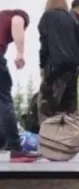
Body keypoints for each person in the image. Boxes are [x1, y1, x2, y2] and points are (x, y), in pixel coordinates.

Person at [0, 9, 37, 161]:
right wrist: (20, 53)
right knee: (4, 99)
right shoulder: (18, 15)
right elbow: (17, 22)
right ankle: (15, 149)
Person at [38, 0, 79, 119]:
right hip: (73, 68)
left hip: (55, 69)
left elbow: (44, 44)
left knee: (47, 106)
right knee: (70, 107)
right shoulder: (71, 19)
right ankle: (70, 135)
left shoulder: (47, 17)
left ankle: (49, 135)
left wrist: (42, 65)